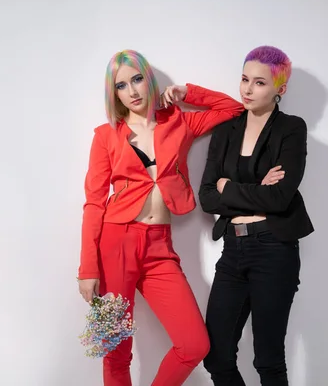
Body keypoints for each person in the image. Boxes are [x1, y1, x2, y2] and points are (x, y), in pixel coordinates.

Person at [77, 49, 244, 386]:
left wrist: (186, 93)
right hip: (116, 245)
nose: (133, 91)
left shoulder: (178, 121)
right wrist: (88, 269)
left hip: (159, 249)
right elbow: (94, 203)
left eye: (137, 79)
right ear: (116, 94)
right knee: (115, 350)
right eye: (122, 86)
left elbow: (233, 109)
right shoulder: (106, 135)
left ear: (148, 80)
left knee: (195, 344)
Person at [199, 45, 314, 386]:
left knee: (268, 359)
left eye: (260, 83)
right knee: (217, 355)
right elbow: (207, 198)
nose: (247, 89)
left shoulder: (292, 129)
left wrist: (228, 186)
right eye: (245, 79)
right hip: (233, 251)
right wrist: (253, 190)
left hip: (274, 250)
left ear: (281, 88)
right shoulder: (225, 132)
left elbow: (279, 198)